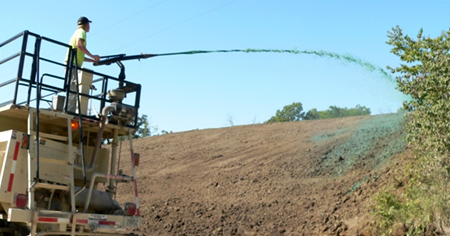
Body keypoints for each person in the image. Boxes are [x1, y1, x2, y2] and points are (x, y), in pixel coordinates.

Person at [65, 16, 100, 113]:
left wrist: (92, 60)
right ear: (86, 25)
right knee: (73, 90)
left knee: (72, 90)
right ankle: (69, 112)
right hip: (72, 65)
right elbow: (79, 45)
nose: (89, 27)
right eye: (89, 24)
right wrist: (93, 56)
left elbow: (80, 57)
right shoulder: (82, 32)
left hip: (72, 63)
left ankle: (68, 110)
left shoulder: (77, 32)